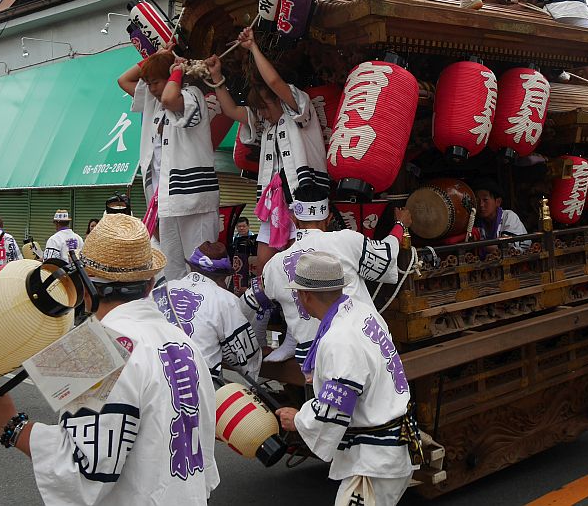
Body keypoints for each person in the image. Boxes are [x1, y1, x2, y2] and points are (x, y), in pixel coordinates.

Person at [0, 213, 220, 505]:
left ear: (83, 288)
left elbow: (82, 470)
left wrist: (10, 426)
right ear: (149, 285)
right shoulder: (184, 342)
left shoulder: (90, 348)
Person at [274, 253, 419, 505]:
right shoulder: (362, 312)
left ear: (305, 296)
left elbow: (335, 408)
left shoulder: (340, 338)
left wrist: (298, 420)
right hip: (389, 448)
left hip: (374, 461)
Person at [240, 185, 410, 365]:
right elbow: (386, 254)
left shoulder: (275, 265)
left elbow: (247, 303)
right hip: (362, 346)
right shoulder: (347, 240)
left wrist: (253, 347)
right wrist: (400, 225)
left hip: (315, 360)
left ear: (293, 220)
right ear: (329, 218)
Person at [207, 28, 329, 271]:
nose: (261, 113)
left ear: (279, 98)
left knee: (301, 261)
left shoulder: (298, 106)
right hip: (275, 201)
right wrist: (217, 77)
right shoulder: (266, 124)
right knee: (265, 263)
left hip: (303, 197)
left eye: (264, 106)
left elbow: (273, 82)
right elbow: (231, 110)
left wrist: (253, 47)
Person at [119, 49, 220, 280]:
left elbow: (169, 99)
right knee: (172, 270)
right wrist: (157, 54)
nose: (152, 89)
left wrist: (177, 72)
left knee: (202, 269)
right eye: (148, 83)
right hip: (165, 200)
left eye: (155, 82)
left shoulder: (192, 95)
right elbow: (123, 80)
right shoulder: (152, 102)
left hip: (194, 199)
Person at [155, 241, 262, 381]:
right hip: (197, 382)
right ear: (223, 278)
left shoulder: (160, 291)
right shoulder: (225, 299)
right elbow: (246, 356)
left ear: (191, 267)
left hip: (154, 375)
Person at [472, 179, 528, 246]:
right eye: (477, 200)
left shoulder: (509, 216)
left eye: (485, 200)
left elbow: (508, 247)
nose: (481, 204)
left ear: (498, 202)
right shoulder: (475, 222)